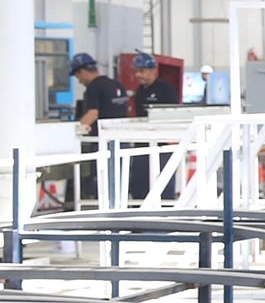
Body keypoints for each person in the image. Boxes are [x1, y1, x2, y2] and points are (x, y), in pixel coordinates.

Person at [69, 53, 131, 201]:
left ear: (83, 72)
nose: (79, 81)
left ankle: (99, 205)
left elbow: (92, 113)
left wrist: (73, 132)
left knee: (101, 181)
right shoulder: (117, 85)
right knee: (119, 180)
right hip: (122, 141)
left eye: (78, 77)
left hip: (102, 143)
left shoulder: (93, 88)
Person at [128, 52, 181, 201]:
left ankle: (164, 208)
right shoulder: (140, 92)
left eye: (142, 71)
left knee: (163, 182)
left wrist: (173, 138)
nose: (138, 75)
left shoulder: (166, 90)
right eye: (136, 71)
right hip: (143, 143)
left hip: (163, 143)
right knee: (139, 183)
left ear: (153, 70)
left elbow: (175, 115)